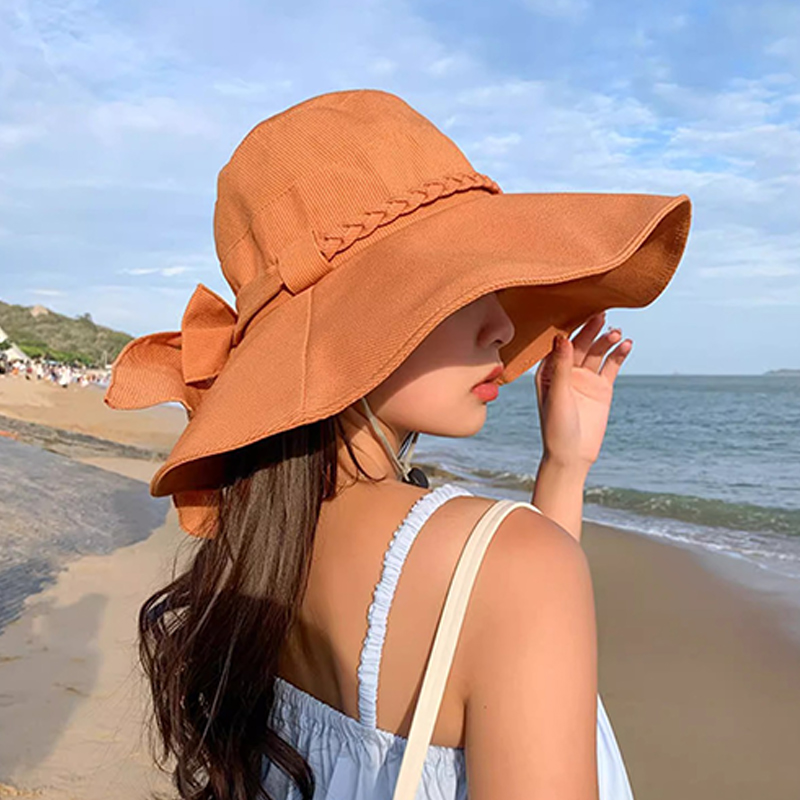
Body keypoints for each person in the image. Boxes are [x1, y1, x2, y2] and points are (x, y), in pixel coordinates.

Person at [105, 89, 691, 800]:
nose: (504, 328)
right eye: (460, 289)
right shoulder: (507, 564)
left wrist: (563, 466)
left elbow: (492, 627)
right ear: (353, 324)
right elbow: (504, 600)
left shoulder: (261, 542)